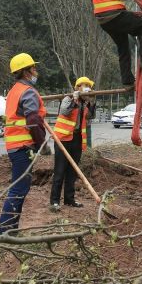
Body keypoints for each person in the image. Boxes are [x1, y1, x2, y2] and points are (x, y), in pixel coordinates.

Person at [0, 53, 47, 234]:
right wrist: (42, 143)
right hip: (23, 147)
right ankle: (4, 233)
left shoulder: (14, 91)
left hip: (14, 146)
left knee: (20, 189)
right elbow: (33, 119)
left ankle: (11, 231)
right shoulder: (28, 92)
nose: (35, 71)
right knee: (18, 190)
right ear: (26, 72)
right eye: (33, 68)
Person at [50, 76, 97, 211]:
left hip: (76, 140)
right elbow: (64, 112)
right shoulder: (68, 99)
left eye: (89, 86)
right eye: (84, 85)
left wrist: (92, 102)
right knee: (60, 171)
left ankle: (69, 199)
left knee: (73, 171)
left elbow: (90, 117)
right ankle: (54, 201)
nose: (87, 88)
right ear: (77, 87)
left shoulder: (85, 103)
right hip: (63, 140)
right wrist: (75, 99)